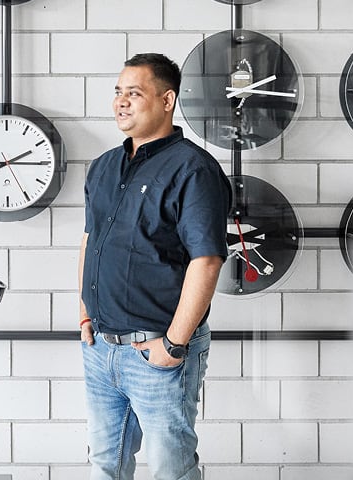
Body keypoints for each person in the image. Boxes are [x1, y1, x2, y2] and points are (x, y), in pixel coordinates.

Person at [78, 53, 231, 480]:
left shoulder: (193, 168)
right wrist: (85, 315)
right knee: (105, 464)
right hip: (100, 349)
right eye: (117, 92)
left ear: (167, 100)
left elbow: (207, 260)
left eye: (134, 93)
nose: (121, 102)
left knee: (172, 471)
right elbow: (90, 242)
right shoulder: (104, 166)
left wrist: (175, 346)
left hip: (158, 352)